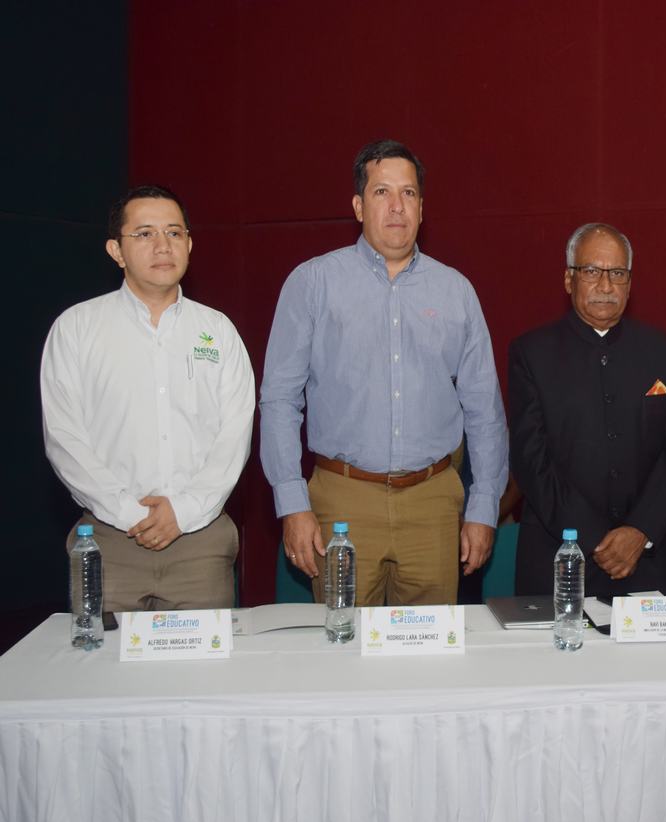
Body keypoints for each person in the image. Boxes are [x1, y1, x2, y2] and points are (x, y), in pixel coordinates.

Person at [260, 139, 507, 606]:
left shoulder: (456, 291)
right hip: (342, 501)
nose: (397, 207)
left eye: (409, 193)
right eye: (381, 193)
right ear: (357, 205)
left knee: (430, 660)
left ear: (422, 206)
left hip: (433, 504)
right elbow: (278, 401)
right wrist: (292, 503)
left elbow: (485, 412)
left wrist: (483, 506)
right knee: (343, 657)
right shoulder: (312, 283)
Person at [41, 185, 255, 611]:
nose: (162, 246)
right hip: (109, 541)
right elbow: (64, 437)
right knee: (101, 674)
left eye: (174, 233)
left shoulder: (218, 331)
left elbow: (235, 434)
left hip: (201, 543)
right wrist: (126, 512)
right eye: (144, 234)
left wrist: (185, 510)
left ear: (190, 245)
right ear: (115, 250)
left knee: (204, 675)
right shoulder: (77, 329)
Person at [509, 223, 666, 596]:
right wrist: (596, 540)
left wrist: (639, 532)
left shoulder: (661, 350)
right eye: (591, 271)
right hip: (559, 559)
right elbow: (531, 462)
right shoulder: (532, 354)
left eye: (617, 273)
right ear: (568, 279)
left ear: (630, 282)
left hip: (648, 559)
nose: (606, 286)